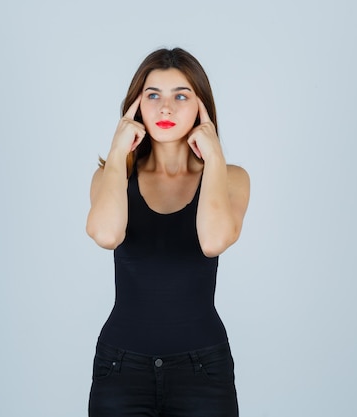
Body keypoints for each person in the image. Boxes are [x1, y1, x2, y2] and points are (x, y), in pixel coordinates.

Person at [85, 47, 250, 417]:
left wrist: (214, 157)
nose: (165, 108)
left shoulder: (232, 178)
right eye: (153, 95)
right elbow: (106, 234)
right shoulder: (112, 178)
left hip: (203, 371)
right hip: (120, 369)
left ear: (201, 108)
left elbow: (213, 241)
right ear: (136, 107)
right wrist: (117, 153)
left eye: (181, 96)